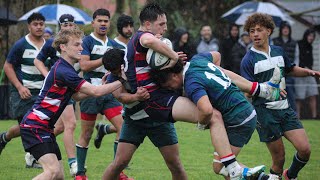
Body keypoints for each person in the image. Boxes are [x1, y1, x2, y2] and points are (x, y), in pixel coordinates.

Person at [102, 3, 266, 180]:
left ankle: (235, 168)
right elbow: (147, 42)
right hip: (152, 104)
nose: (165, 28)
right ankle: (233, 168)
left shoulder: (145, 47)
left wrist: (173, 62)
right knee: (213, 115)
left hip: (159, 106)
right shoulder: (143, 37)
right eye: (161, 24)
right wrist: (173, 56)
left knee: (178, 162)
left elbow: (154, 58)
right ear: (148, 24)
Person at [150, 51, 282, 180]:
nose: (171, 89)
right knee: (223, 167)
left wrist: (201, 124)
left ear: (174, 76)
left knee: (223, 167)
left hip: (239, 119)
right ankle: (262, 90)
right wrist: (217, 70)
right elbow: (217, 55)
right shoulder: (198, 59)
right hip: (245, 112)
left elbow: (206, 110)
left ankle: (263, 178)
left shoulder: (191, 83)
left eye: (169, 85)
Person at [19, 28, 128, 180]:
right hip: (36, 127)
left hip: (44, 128)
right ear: (63, 47)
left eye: (81, 45)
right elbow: (95, 93)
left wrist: (103, 87)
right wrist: (121, 80)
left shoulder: (64, 68)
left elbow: (76, 96)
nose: (81, 48)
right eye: (76, 45)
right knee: (51, 172)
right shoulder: (64, 71)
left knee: (58, 176)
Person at [241, 13, 320, 179]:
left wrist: (308, 72)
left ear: (268, 31)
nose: (255, 34)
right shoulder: (248, 60)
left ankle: (290, 175)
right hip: (265, 114)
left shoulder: (278, 51)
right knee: (279, 158)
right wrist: (268, 89)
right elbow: (247, 90)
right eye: (251, 31)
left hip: (285, 109)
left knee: (305, 150)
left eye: (259, 30)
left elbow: (290, 69)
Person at [76, 8, 127, 179]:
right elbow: (83, 66)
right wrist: (104, 59)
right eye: (100, 21)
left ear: (109, 23)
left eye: (106, 21)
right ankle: (80, 173)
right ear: (93, 23)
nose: (103, 24)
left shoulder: (114, 45)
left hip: (110, 94)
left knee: (122, 128)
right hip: (90, 93)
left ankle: (117, 172)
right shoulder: (87, 41)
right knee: (87, 134)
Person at [34, 14, 79, 176]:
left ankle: (37, 150)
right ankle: (74, 163)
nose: (68, 28)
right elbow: (37, 61)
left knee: (59, 127)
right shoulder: (52, 43)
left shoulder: (78, 43)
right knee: (71, 124)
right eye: (64, 25)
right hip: (58, 89)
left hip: (70, 87)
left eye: (70, 25)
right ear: (60, 26)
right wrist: (48, 75)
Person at [0, 13, 46, 168]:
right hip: (23, 93)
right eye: (35, 24)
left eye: (41, 24)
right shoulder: (21, 44)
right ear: (29, 26)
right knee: (29, 127)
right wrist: (20, 87)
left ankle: (4, 138)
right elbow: (7, 66)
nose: (39, 27)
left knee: (33, 126)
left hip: (41, 93)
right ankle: (32, 159)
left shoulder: (48, 45)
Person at [94, 14, 134, 148]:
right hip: (114, 89)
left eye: (131, 26)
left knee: (126, 123)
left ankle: (104, 129)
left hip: (127, 88)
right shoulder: (114, 45)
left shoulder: (134, 43)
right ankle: (120, 163)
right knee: (124, 125)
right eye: (125, 26)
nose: (129, 29)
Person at [272, 21, 298, 111]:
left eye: (287, 28)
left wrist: (294, 70)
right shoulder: (274, 41)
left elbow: (296, 58)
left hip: (290, 73)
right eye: (284, 28)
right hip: (277, 74)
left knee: (291, 97)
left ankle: (293, 117)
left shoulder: (294, 42)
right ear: (281, 30)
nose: (286, 30)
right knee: (277, 97)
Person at [295, 29, 319, 119]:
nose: (311, 38)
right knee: (299, 97)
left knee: (313, 95)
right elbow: (296, 59)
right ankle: (298, 117)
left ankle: (314, 117)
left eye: (313, 36)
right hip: (299, 73)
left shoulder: (311, 47)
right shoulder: (298, 44)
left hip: (311, 73)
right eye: (310, 35)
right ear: (306, 35)